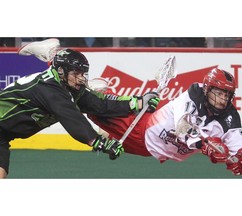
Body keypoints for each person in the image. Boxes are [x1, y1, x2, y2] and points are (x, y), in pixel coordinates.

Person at [0, 47, 160, 178]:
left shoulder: (67, 87)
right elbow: (73, 119)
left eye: (82, 74)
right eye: (76, 74)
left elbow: (99, 104)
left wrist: (138, 102)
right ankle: (50, 50)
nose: (81, 79)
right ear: (61, 71)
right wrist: (99, 142)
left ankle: (50, 51)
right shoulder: (49, 90)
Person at [88, 68, 242, 176]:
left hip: (151, 150)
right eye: (219, 93)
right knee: (94, 107)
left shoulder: (230, 118)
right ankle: (88, 88)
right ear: (207, 89)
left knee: (105, 136)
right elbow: (183, 127)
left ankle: (105, 131)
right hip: (141, 129)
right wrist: (204, 145)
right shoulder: (193, 94)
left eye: (227, 95)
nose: (223, 99)